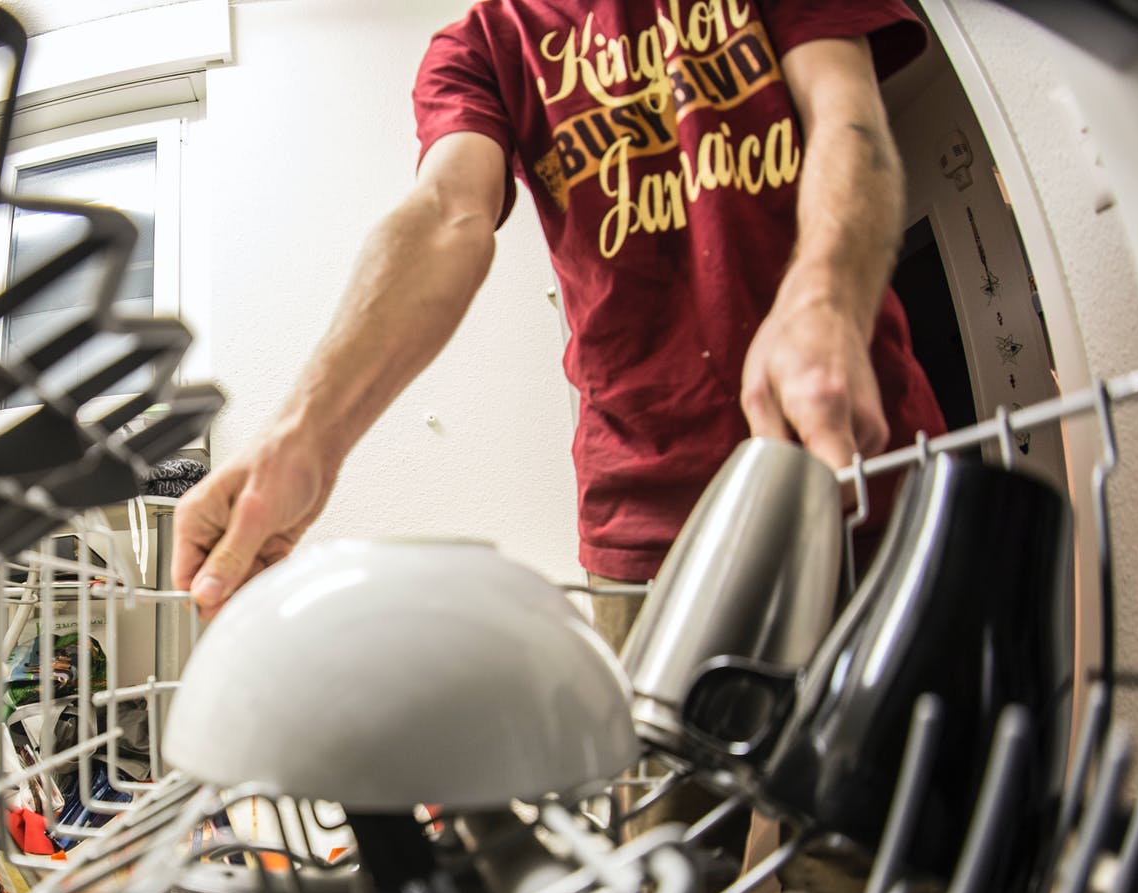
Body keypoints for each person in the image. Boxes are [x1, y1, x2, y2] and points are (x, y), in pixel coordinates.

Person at [171, 0, 947, 633]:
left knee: (896, 804)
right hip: (643, 516)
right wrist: (305, 435)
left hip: (856, 453)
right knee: (664, 822)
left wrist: (822, 297)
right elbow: (447, 214)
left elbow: (849, 118)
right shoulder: (481, 46)